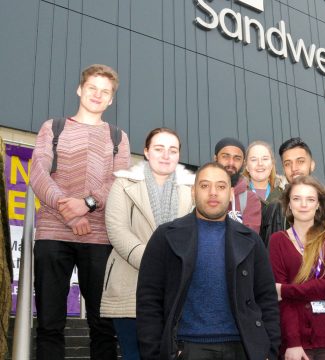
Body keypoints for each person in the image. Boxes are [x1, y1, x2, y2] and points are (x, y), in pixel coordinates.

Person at [30, 64, 131, 360]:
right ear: (80, 89)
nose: (97, 95)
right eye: (92, 89)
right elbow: (37, 173)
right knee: (49, 323)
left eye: (105, 92)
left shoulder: (117, 136)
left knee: (103, 325)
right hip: (52, 234)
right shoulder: (53, 127)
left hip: (99, 239)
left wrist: (86, 204)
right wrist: (69, 212)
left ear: (111, 99)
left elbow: (119, 180)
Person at [136, 162, 280, 360]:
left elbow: (267, 299)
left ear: (230, 193)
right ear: (193, 192)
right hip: (186, 349)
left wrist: (267, 350)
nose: (213, 192)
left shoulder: (251, 241)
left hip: (242, 348)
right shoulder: (166, 236)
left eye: (221, 186)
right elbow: (149, 300)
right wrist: (156, 353)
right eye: (205, 186)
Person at [100, 128, 195, 360]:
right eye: (159, 149)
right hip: (130, 283)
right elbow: (117, 230)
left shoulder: (191, 191)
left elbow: (194, 235)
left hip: (176, 291)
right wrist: (154, 263)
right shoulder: (123, 183)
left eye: (172, 150)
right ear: (146, 152)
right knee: (134, 354)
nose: (166, 155)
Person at [268, 176, 325, 359]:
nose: (303, 204)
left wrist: (286, 290)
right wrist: (293, 342)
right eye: (297, 199)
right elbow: (281, 301)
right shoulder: (277, 241)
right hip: (293, 338)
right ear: (289, 204)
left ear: (318, 204)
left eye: (310, 199)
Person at [260, 137, 325, 246]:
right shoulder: (272, 209)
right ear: (283, 169)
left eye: (300, 161)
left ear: (312, 165)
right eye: (288, 163)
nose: (294, 168)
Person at [214, 137, 262, 233]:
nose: (231, 163)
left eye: (237, 158)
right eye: (225, 156)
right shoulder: (203, 192)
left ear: (243, 163)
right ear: (215, 158)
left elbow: (248, 239)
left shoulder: (250, 199)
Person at [243, 140, 285, 204]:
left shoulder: (285, 191)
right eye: (254, 159)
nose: (260, 163)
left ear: (272, 164)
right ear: (246, 166)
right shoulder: (236, 193)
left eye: (265, 159)